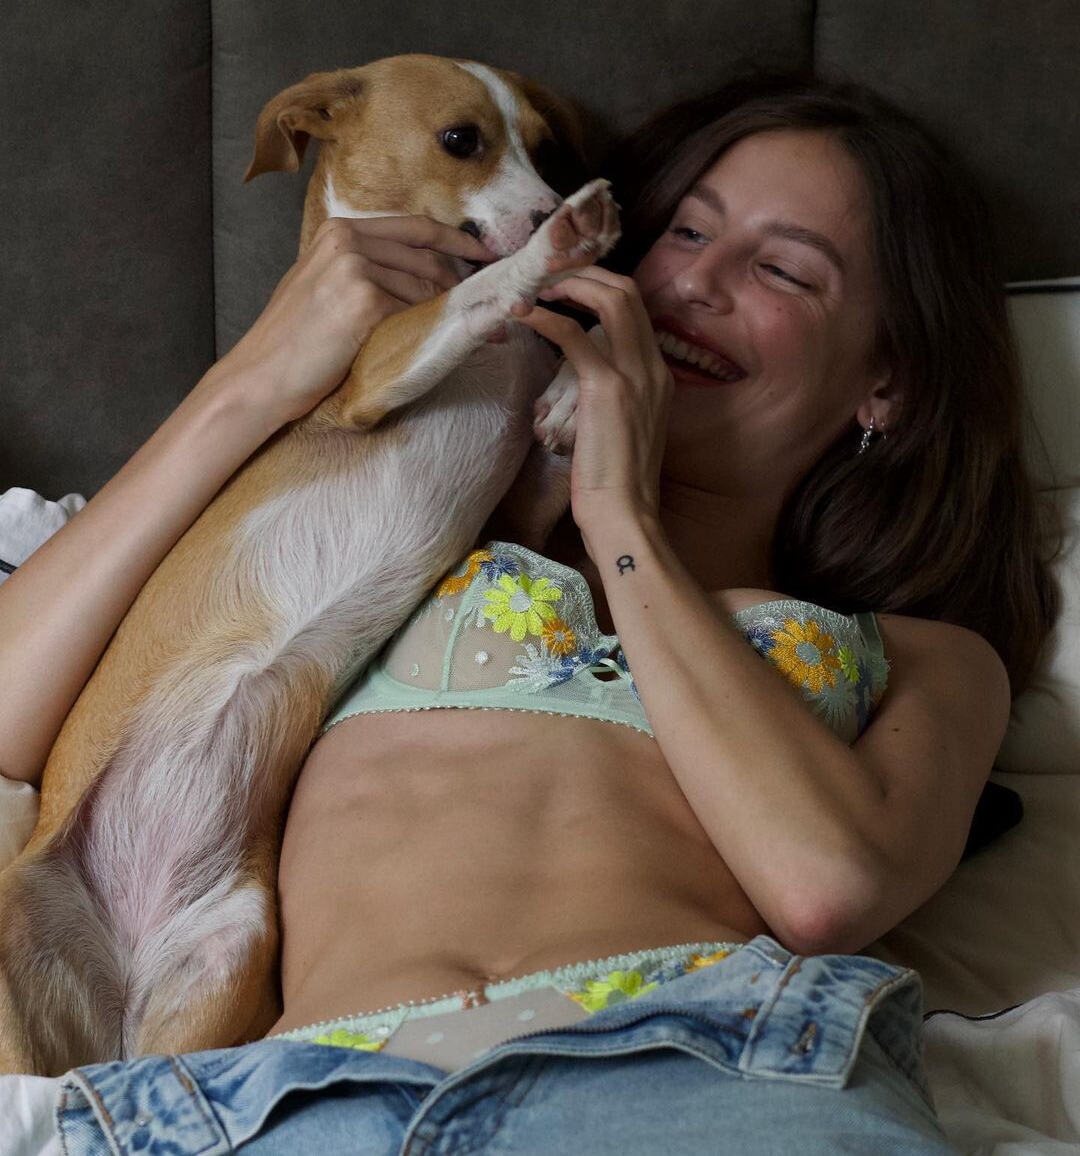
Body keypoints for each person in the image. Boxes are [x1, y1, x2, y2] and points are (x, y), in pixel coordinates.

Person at [0, 67, 1058, 1153]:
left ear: (888, 382)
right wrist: (256, 378)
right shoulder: (400, 525)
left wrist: (620, 512)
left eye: (782, 269)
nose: (697, 283)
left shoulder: (928, 656)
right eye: (686, 233)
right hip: (307, 1096)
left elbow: (826, 890)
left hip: (712, 1072)